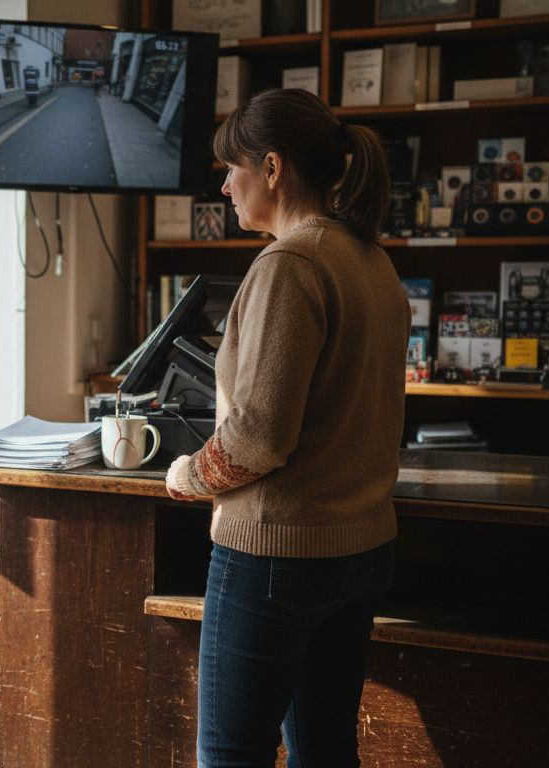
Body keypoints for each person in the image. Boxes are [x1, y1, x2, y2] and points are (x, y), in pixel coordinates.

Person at [163, 89, 409, 767]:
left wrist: (186, 476)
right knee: (326, 749)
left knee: (231, 753)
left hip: (277, 554)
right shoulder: (372, 260)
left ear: (271, 169)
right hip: (360, 550)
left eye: (230, 167)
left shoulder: (290, 265)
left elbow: (258, 440)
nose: (224, 184)